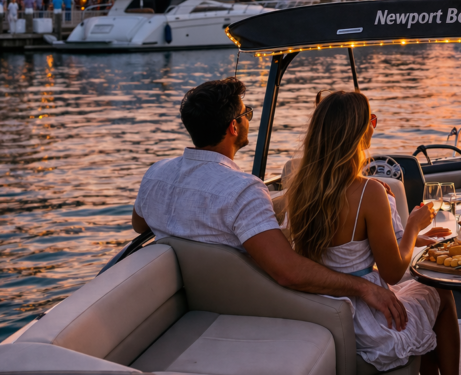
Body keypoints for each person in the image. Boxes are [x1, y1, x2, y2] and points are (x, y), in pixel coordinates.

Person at [132, 78, 410, 330]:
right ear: (233, 126)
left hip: (197, 303)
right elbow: (289, 272)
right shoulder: (242, 189)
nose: (249, 119)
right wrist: (364, 287)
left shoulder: (156, 174)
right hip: (250, 307)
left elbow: (139, 224)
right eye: (246, 114)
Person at [286, 90, 460, 374]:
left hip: (325, 312)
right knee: (440, 291)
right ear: (357, 132)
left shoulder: (300, 189)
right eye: (372, 120)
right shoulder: (369, 192)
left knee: (422, 296)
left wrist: (409, 234)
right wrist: (414, 225)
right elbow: (392, 272)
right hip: (368, 323)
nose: (373, 126)